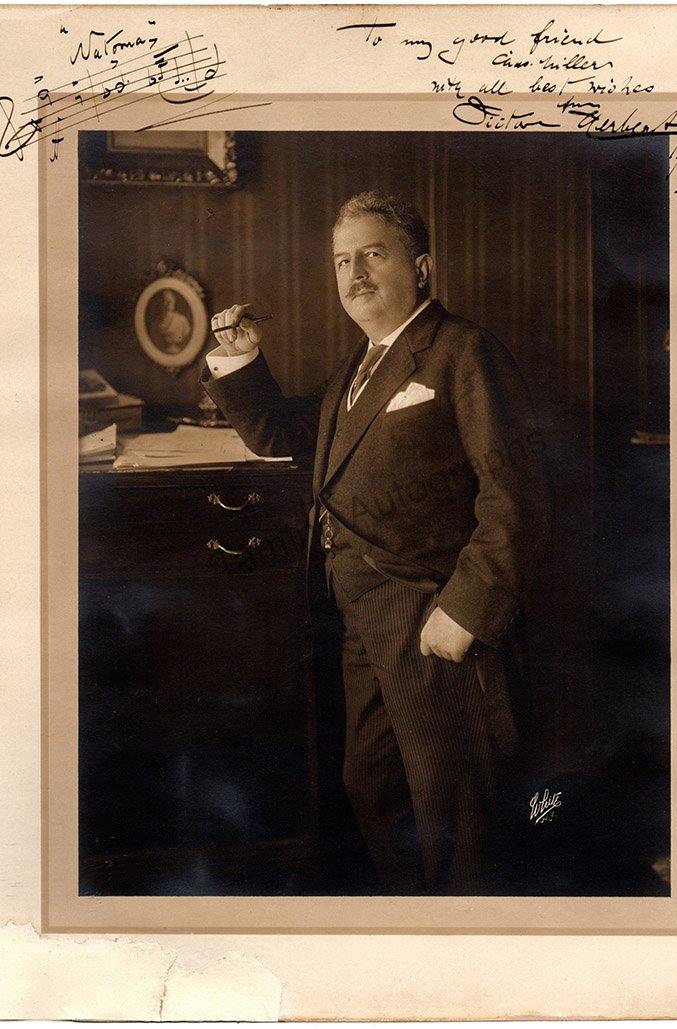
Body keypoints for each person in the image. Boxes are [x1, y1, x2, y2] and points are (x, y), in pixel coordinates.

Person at [201, 191, 551, 895]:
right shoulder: (361, 366)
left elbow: (516, 494)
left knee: (452, 809)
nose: (354, 274)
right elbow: (283, 435)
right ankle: (414, 933)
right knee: (374, 787)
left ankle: (466, 949)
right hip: (359, 615)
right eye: (341, 261)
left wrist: (466, 609)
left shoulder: (462, 350)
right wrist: (241, 364)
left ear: (420, 267)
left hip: (428, 612)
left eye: (372, 254)